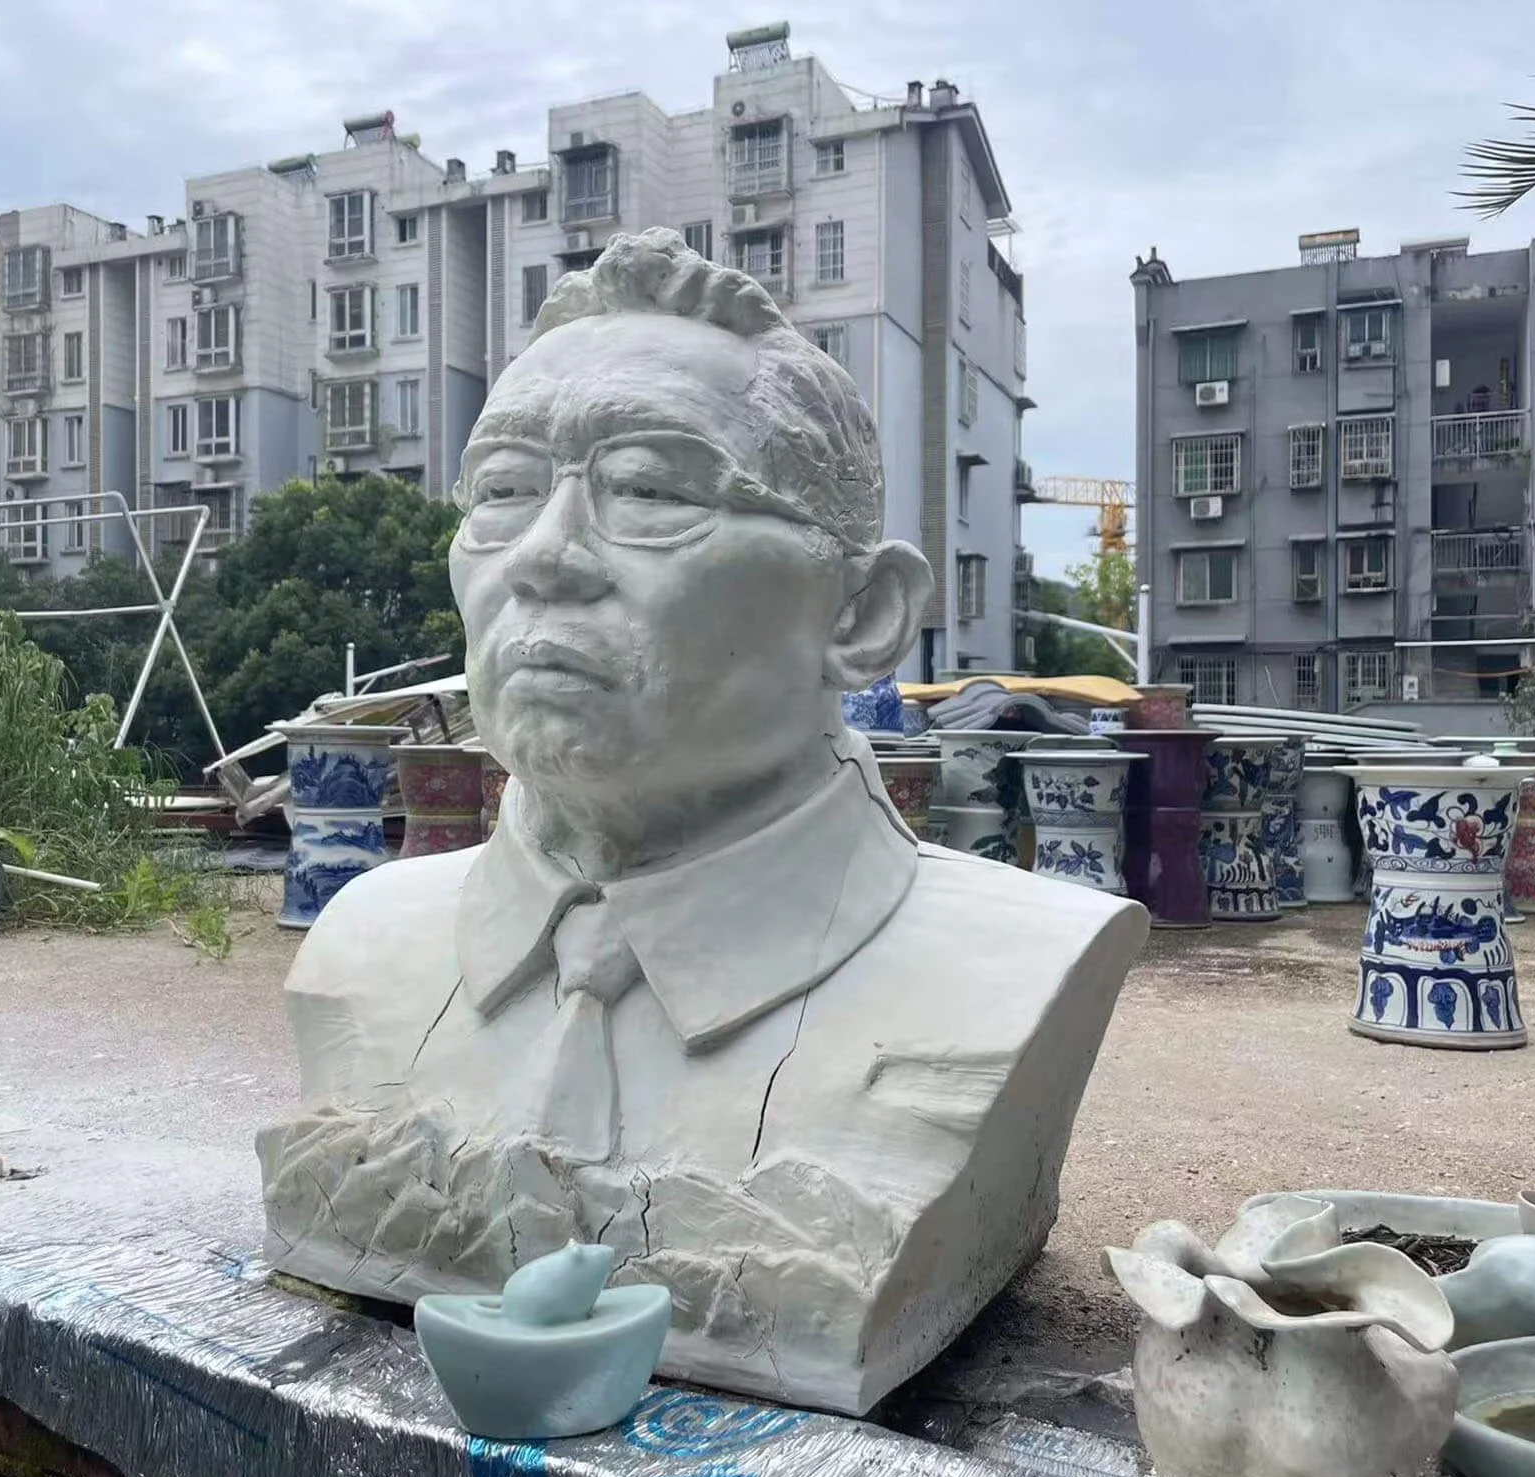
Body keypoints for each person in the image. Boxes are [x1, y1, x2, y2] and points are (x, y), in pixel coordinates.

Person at [258, 228, 1148, 1415]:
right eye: (504, 492)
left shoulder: (1019, 966)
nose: (543, 556)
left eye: (647, 489)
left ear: (864, 613)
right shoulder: (365, 943)